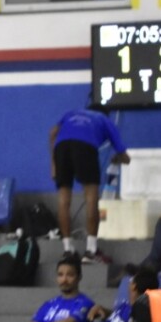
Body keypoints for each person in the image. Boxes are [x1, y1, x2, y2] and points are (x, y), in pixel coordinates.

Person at [49, 102, 129, 262]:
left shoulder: (71, 113)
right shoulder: (104, 120)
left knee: (63, 200)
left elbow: (53, 133)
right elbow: (126, 157)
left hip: (61, 148)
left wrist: (54, 164)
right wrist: (118, 158)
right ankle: (91, 250)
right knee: (91, 198)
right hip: (85, 148)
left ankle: (67, 249)